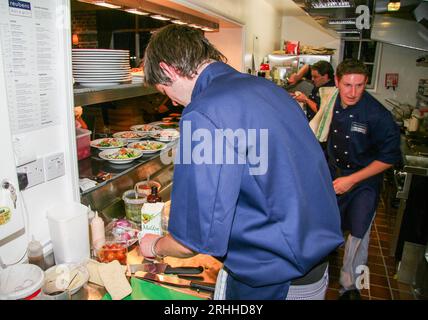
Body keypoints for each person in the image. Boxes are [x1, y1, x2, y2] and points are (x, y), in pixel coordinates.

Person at [139, 24, 343, 300]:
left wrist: (154, 246)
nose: (173, 102)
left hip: (276, 279)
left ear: (170, 70)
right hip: (312, 261)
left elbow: (190, 240)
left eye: (164, 90)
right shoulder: (265, 88)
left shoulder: (204, 111)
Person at [309, 59, 401, 300]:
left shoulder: (378, 115)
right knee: (326, 224)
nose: (352, 92)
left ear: (365, 83)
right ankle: (321, 272)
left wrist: (353, 179)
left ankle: (352, 287)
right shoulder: (330, 103)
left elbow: (389, 158)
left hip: (363, 183)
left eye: (359, 85)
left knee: (359, 236)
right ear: (337, 81)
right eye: (347, 85)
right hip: (333, 176)